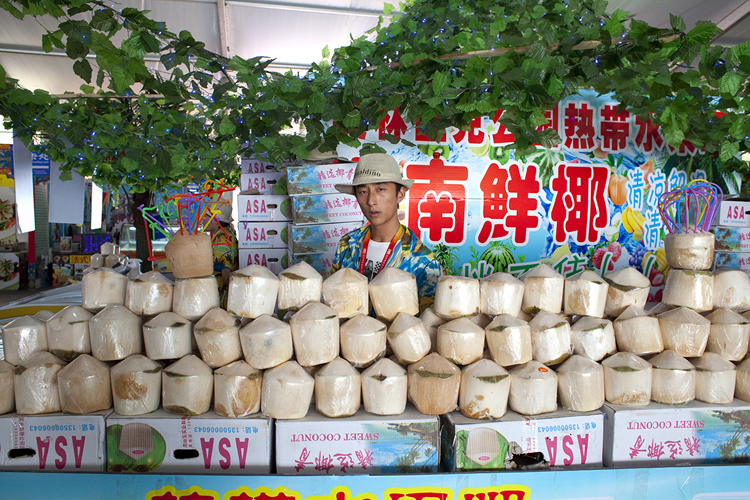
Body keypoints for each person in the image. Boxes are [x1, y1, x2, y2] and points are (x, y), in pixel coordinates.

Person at [332, 153, 442, 311]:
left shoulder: (423, 262)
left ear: (400, 194)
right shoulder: (347, 244)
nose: (371, 201)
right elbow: (332, 300)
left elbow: (429, 321)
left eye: (380, 189)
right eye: (363, 191)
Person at [205, 201, 238, 307]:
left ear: (215, 220)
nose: (202, 220)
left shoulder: (222, 238)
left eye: (205, 216)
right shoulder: (222, 235)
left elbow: (226, 274)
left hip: (222, 299)